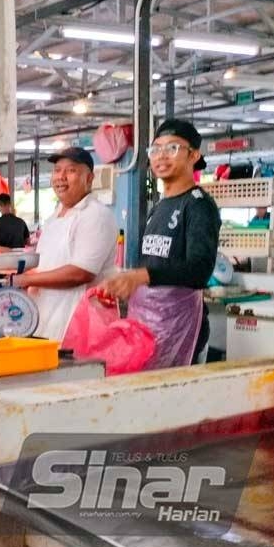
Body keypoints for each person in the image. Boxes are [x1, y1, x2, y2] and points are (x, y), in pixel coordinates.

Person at [99, 119, 220, 369]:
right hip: (151, 324)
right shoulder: (159, 208)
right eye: (155, 149)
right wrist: (125, 284)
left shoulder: (198, 206)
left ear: (194, 155)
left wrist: (141, 276)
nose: (161, 156)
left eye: (172, 148)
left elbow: (199, 270)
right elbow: (155, 264)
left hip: (183, 328)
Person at [10, 147, 118, 342]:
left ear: (89, 178)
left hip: (77, 327)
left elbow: (81, 273)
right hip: (46, 322)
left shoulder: (95, 215)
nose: (61, 177)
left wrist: (27, 280)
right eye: (57, 170)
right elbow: (49, 264)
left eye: (71, 171)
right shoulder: (55, 216)